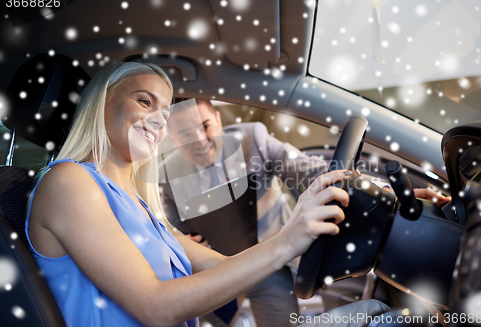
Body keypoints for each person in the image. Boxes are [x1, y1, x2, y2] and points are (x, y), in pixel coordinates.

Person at [25, 62, 391, 327]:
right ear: (102, 103)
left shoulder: (139, 202)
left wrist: (372, 192)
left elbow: (219, 265)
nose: (159, 120)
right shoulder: (69, 182)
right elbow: (155, 306)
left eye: (164, 111)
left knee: (374, 311)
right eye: (144, 101)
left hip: (264, 271)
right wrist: (287, 240)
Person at [160, 99, 452, 327]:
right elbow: (171, 236)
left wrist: (392, 193)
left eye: (205, 126)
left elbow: (311, 171)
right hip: (216, 270)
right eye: (185, 134)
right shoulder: (165, 179)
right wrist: (185, 247)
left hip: (273, 257)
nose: (199, 139)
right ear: (172, 139)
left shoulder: (252, 138)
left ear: (219, 120)